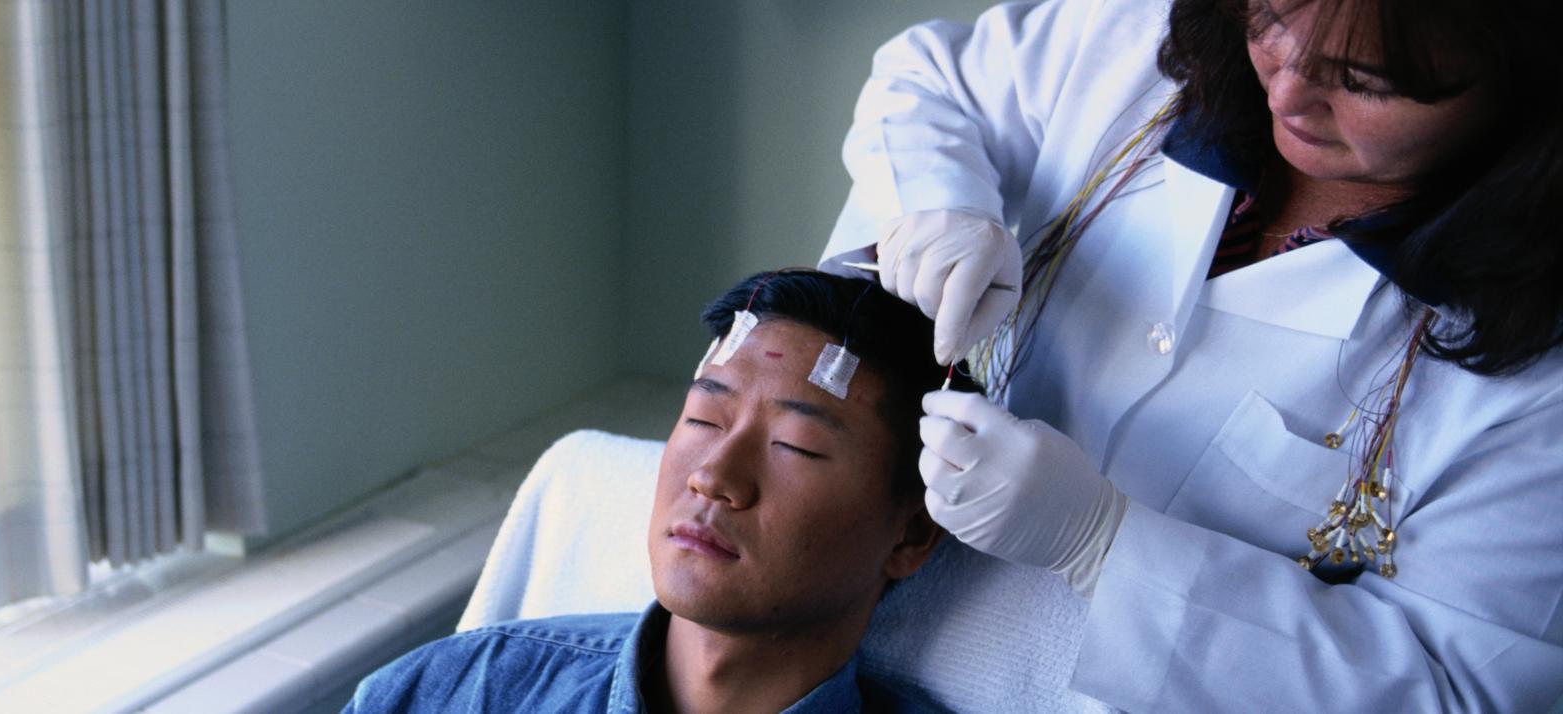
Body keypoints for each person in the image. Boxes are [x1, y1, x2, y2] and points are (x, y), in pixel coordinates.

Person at [822, 0, 1563, 710]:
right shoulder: (1135, 38)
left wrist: (1105, 548)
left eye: (1364, 80)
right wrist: (936, 200)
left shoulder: (1539, 384)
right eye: (1271, 18)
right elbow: (928, 81)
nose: (1290, 91)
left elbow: (1457, 693)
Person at [345, 270, 962, 713]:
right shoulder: (455, 692)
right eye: (703, 421)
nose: (712, 477)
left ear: (909, 534)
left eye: (796, 446)